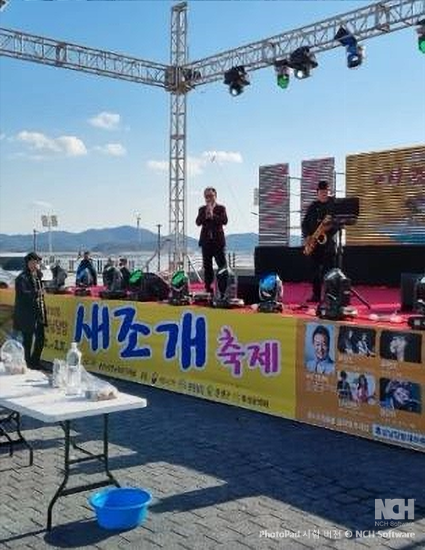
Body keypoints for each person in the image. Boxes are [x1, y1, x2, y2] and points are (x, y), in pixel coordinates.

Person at [301, 180, 337, 302]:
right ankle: (316, 295)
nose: (324, 194)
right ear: (317, 193)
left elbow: (337, 224)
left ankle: (330, 296)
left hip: (328, 245)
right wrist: (307, 236)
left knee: (329, 272)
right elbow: (304, 224)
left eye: (326, 192)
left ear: (329, 192)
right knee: (314, 271)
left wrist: (328, 229)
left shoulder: (333, 206)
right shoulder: (312, 206)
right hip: (314, 243)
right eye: (321, 192)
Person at [13, 252, 48, 370]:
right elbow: (23, 295)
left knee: (41, 338)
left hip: (39, 312)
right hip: (26, 314)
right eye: (32, 262)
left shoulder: (38, 276)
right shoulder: (21, 278)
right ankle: (27, 363)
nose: (34, 265)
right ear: (27, 263)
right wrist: (37, 293)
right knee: (27, 341)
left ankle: (35, 361)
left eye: (36, 262)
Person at [196, 187, 228, 296]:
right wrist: (206, 214)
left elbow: (224, 221)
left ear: (215, 196)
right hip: (206, 242)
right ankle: (208, 289)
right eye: (206, 196)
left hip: (218, 242)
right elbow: (198, 222)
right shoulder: (202, 209)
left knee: (222, 266)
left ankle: (223, 289)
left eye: (210, 196)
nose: (208, 198)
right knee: (207, 267)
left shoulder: (221, 208)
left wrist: (213, 215)